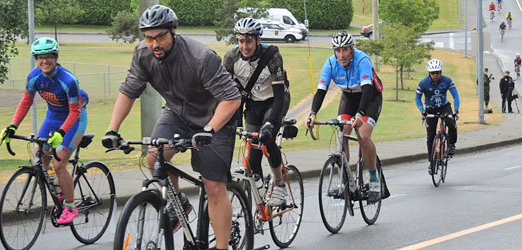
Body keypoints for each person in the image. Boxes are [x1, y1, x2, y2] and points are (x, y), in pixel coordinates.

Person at [100, 5, 241, 249]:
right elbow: (128, 91)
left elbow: (232, 98)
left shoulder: (200, 57)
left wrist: (209, 130)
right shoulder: (143, 54)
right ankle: (179, 204)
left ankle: (221, 246)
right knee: (154, 157)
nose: (154, 43)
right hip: (177, 113)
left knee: (213, 185)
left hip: (215, 118)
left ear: (173, 32)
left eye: (160, 36)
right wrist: (112, 130)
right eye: (148, 37)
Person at [0, 37, 89, 225]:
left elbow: (74, 111)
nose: (44, 61)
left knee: (59, 164)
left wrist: (62, 133)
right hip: (53, 117)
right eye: (39, 57)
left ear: (55, 58)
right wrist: (12, 126)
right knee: (40, 157)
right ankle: (59, 194)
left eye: (48, 57)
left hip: (74, 119)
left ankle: (70, 207)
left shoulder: (68, 80)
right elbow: (26, 102)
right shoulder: (34, 77)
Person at [305, 31, 382, 202]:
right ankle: (343, 182)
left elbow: (368, 90)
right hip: (348, 98)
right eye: (338, 51)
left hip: (369, 99)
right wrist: (312, 113)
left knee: (363, 136)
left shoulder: (362, 60)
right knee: (342, 134)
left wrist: (361, 114)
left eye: (345, 50)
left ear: (352, 49)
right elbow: (321, 91)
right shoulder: (331, 64)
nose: (341, 55)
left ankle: (374, 179)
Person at [222, 18, 290, 206]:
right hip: (253, 103)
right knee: (252, 157)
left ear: (258, 40)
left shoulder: (273, 56)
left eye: (249, 41)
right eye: (241, 41)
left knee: (266, 138)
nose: (245, 46)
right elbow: (225, 92)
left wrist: (270, 123)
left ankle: (279, 184)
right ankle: (259, 195)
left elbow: (278, 96)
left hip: (274, 100)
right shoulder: (231, 58)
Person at [415, 59, 460, 173]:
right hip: (430, 109)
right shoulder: (423, 83)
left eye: (438, 72)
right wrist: (422, 111)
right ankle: (431, 162)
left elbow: (455, 96)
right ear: (429, 73)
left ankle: (451, 145)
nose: (435, 75)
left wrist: (456, 111)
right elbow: (417, 98)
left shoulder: (447, 81)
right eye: (433, 73)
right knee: (430, 137)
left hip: (444, 107)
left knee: (451, 124)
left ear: (441, 72)